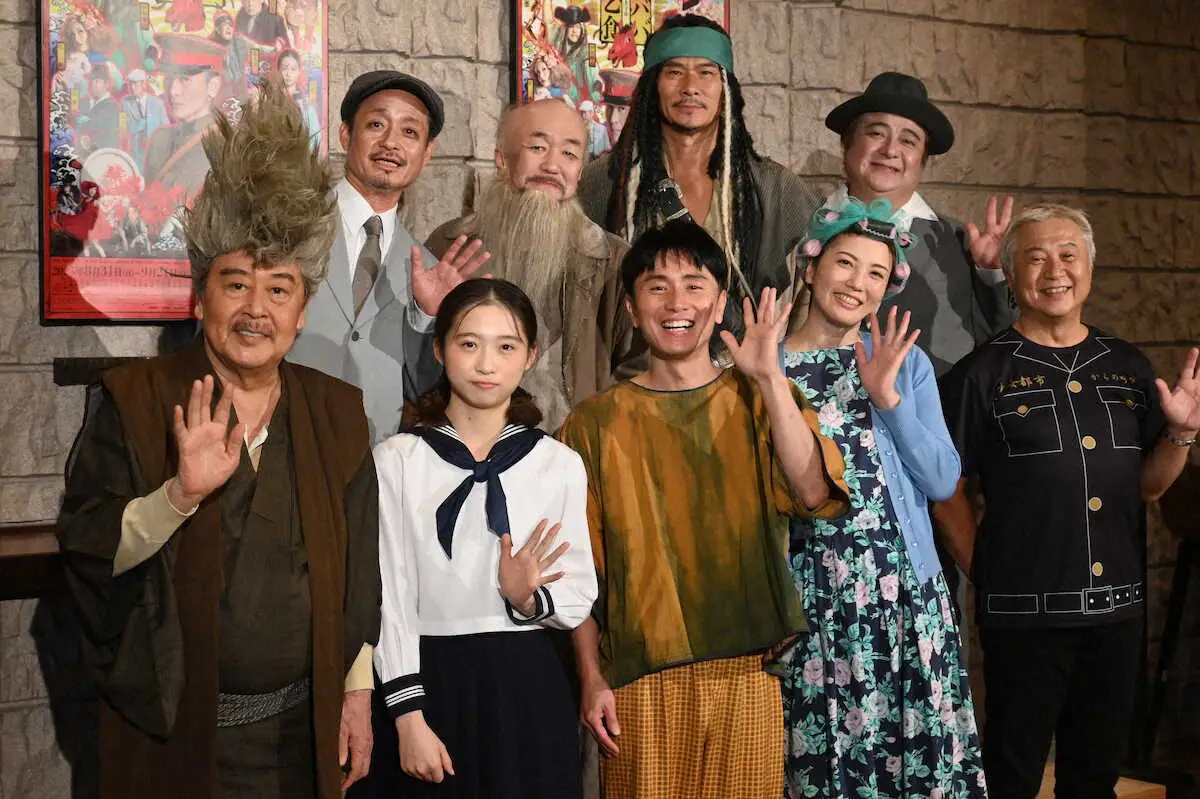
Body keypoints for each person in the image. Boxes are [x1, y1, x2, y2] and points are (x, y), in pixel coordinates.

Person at [56, 81, 380, 799]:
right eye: (235, 285)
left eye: (279, 289)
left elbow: (360, 572)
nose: (255, 309)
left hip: (303, 734)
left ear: (302, 311)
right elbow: (85, 548)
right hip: (176, 741)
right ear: (199, 298)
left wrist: (356, 694)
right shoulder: (137, 400)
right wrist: (177, 496)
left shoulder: (336, 410)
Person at [559, 220, 849, 799]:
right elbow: (577, 572)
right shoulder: (593, 423)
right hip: (640, 679)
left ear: (720, 307)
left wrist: (770, 379)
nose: (677, 303)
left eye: (695, 286)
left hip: (748, 671)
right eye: (657, 287)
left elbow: (814, 492)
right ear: (631, 307)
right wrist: (590, 677)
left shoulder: (758, 397)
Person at [938, 204, 1200, 799]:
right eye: (1035, 258)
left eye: (1068, 255)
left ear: (1089, 269)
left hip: (1117, 612)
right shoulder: (981, 374)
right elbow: (945, 490)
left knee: (1094, 777)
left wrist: (1181, 434)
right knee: (1012, 773)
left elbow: (1150, 485)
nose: (1054, 270)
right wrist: (988, 571)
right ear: (1012, 275)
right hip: (1023, 617)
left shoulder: (1129, 367)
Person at [779, 200, 985, 797]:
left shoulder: (905, 362)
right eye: (845, 263)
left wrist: (888, 400)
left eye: (876, 272)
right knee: (826, 763)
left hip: (904, 593)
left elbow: (942, 480)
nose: (858, 283)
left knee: (916, 757)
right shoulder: (768, 364)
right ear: (811, 268)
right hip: (812, 598)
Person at [372, 278, 597, 798]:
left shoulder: (559, 463)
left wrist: (527, 598)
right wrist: (407, 717)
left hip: (529, 684)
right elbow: (388, 597)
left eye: (506, 347)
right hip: (426, 683)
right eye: (469, 343)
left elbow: (578, 591)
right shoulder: (399, 460)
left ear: (530, 356)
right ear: (439, 349)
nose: (486, 364)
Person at [578, 14, 823, 342]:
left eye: (706, 73)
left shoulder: (774, 188)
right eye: (674, 72)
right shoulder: (606, 182)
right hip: (634, 368)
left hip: (743, 369)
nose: (690, 87)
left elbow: (819, 286)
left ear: (725, 88)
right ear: (653, 87)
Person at [287, 70, 490, 443]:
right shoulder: (289, 227)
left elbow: (423, 390)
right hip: (277, 445)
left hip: (372, 459)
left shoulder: (427, 269)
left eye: (410, 132)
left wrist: (428, 316)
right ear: (345, 134)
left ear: (427, 153)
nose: (391, 143)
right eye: (376, 124)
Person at [426, 99, 631, 432]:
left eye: (569, 154)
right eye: (537, 147)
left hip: (577, 450)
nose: (552, 166)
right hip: (465, 445)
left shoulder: (615, 262)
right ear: (502, 159)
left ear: (580, 173)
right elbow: (419, 365)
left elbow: (639, 372)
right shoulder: (450, 247)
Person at [823, 71, 1014, 377]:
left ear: (921, 160)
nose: (890, 150)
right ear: (848, 143)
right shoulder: (807, 225)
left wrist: (991, 273)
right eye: (876, 133)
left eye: (908, 141)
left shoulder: (956, 241)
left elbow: (1001, 344)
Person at [144, 33, 225, 197]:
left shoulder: (225, 145)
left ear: (213, 87)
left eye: (184, 79)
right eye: (169, 79)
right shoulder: (160, 139)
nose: (173, 91)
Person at [121, 68, 169, 166]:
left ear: (144, 84)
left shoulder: (158, 103)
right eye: (130, 84)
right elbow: (122, 128)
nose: (132, 87)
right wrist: (142, 123)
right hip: (136, 154)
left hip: (155, 153)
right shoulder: (125, 103)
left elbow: (166, 128)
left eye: (135, 84)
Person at [76, 62, 120, 151]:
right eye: (91, 80)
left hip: (103, 152)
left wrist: (88, 120)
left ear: (106, 84)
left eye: (97, 81)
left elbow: (109, 129)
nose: (93, 84)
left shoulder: (112, 106)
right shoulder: (84, 102)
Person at [277, 48, 319, 138]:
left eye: (293, 69)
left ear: (299, 72)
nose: (288, 73)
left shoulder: (306, 105)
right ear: (278, 70)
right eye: (284, 68)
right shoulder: (270, 101)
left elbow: (315, 139)